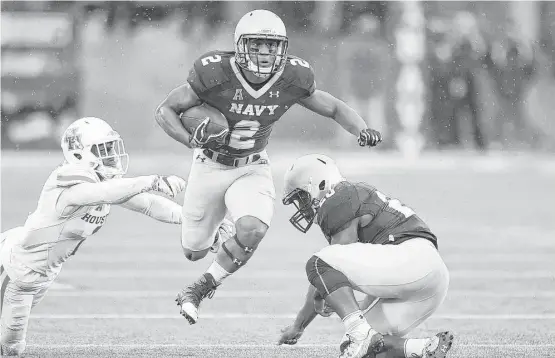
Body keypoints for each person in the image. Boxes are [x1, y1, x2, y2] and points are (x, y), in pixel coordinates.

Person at [154, 9, 383, 325]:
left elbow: (332, 107)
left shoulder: (292, 77)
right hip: (209, 164)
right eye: (258, 44)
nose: (265, 52)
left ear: (283, 48)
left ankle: (200, 289)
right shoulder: (214, 72)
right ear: (240, 44)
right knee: (193, 251)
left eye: (272, 45)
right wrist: (189, 140)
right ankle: (221, 232)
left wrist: (360, 128)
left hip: (252, 165)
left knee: (253, 229)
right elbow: (165, 109)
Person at [0, 117, 226, 356]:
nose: (111, 154)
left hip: (42, 273)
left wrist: (197, 221)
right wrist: (151, 180)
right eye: (103, 149)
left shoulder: (104, 183)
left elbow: (148, 204)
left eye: (111, 147)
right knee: (11, 348)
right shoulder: (68, 182)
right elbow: (103, 193)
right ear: (78, 155)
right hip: (16, 267)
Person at [278, 154, 453, 358]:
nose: (303, 206)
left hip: (411, 259)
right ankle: (423, 348)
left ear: (317, 184)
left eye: (302, 197)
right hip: (431, 278)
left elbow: (329, 264)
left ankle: (361, 333)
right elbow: (362, 264)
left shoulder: (338, 199)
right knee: (362, 348)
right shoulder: (353, 193)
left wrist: (300, 323)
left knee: (318, 263)